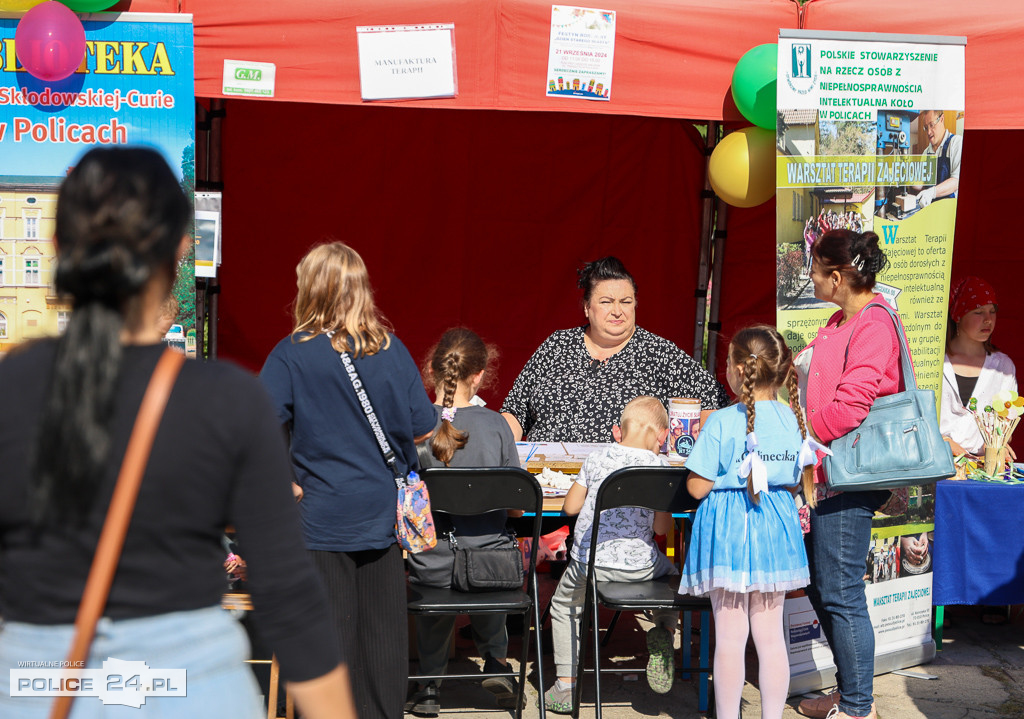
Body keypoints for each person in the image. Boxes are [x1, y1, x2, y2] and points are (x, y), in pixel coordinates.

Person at [0, 147, 355, 719]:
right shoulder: (228, 400)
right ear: (179, 250)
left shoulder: (11, 387)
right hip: (193, 691)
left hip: (34, 687)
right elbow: (289, 596)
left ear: (61, 250)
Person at [260, 241, 438, 719]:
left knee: (329, 640)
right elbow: (424, 426)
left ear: (310, 290)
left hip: (320, 517)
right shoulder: (391, 349)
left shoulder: (290, 355)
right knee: (383, 638)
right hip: (382, 515)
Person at [678, 325, 813, 719]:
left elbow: (697, 487)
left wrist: (718, 476)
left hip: (728, 535)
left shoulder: (721, 421)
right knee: (771, 639)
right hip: (774, 531)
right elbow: (792, 477)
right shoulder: (793, 419)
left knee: (731, 641)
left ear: (738, 370)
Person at [795, 229, 902, 719]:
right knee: (823, 585)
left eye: (815, 271)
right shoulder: (841, 320)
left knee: (840, 592)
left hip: (850, 474)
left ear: (837, 277)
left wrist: (801, 436)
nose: (810, 277)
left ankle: (858, 708)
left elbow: (851, 407)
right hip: (828, 472)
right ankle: (849, 692)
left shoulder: (874, 323)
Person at [404, 328, 522, 716]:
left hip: (432, 562)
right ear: (479, 375)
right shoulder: (497, 425)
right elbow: (517, 506)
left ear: (432, 371)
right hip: (491, 564)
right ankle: (497, 664)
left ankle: (429, 687)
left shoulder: (414, 428)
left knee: (435, 605)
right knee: (491, 563)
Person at [543, 397, 679, 714]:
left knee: (563, 606)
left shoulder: (596, 458)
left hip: (589, 566)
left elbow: (570, 509)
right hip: (640, 567)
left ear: (620, 430)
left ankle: (565, 685)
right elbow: (661, 529)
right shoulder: (662, 469)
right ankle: (664, 630)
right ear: (662, 436)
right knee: (673, 578)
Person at [501, 256, 728, 443]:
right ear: (587, 307)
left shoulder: (659, 353)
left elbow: (715, 406)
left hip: (624, 485)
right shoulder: (557, 345)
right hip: (548, 479)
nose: (618, 311)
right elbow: (514, 413)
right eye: (607, 302)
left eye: (626, 302)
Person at [940, 276, 1016, 457]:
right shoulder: (935, 362)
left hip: (981, 467)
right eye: (978, 312)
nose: (988, 320)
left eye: (992, 311)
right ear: (958, 315)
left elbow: (1006, 421)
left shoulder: (1003, 367)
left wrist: (997, 445)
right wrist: (941, 441)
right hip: (936, 464)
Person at [915, 109, 962, 207]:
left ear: (942, 119)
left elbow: (956, 181)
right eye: (926, 127)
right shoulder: (926, 153)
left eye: (932, 125)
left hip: (949, 211)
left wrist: (932, 192)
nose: (928, 132)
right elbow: (919, 184)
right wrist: (905, 177)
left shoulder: (956, 143)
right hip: (930, 211)